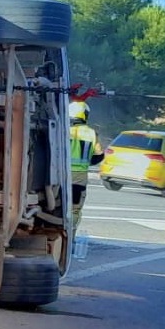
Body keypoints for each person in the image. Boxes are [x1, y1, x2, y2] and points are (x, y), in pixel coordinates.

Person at [68, 100, 104, 236]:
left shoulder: (62, 129)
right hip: (79, 177)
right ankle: (70, 236)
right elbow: (98, 156)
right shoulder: (92, 133)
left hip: (60, 175)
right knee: (74, 208)